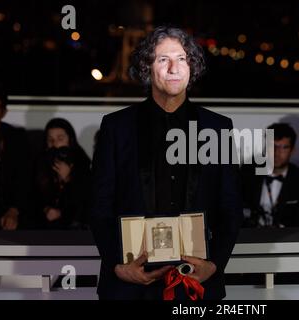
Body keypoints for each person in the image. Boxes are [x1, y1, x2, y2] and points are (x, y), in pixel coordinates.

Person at [90, 26, 242, 300]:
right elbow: (100, 205)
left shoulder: (218, 127)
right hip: (129, 285)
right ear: (147, 69)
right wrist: (118, 266)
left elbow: (230, 207)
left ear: (192, 68)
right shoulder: (116, 127)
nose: (174, 68)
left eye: (182, 59)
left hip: (196, 282)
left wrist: (215, 265)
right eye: (163, 59)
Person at [242, 123, 299, 228]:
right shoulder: (248, 173)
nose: (276, 153)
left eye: (283, 147)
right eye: (272, 146)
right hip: (252, 237)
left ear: (292, 150)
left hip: (287, 240)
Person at [33, 118, 91, 229]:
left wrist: (68, 178)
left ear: (70, 140)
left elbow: (85, 201)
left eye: (60, 139)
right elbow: (32, 196)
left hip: (75, 227)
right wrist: (45, 209)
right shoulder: (40, 162)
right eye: (50, 140)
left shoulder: (82, 162)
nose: (55, 144)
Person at [0, 87, 30, 230]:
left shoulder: (16, 139)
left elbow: (24, 177)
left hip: (9, 205)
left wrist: (14, 210)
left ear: (3, 113)